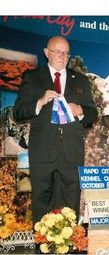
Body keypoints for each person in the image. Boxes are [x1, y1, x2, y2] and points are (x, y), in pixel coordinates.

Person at [13, 35, 98, 225]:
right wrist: (40, 102)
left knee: (70, 203)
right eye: (58, 52)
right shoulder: (32, 78)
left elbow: (93, 113)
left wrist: (81, 111)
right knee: (42, 201)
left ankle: (68, 247)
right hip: (43, 150)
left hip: (72, 151)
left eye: (66, 53)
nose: (62, 57)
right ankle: (43, 249)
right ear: (46, 53)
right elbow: (18, 112)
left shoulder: (81, 80)